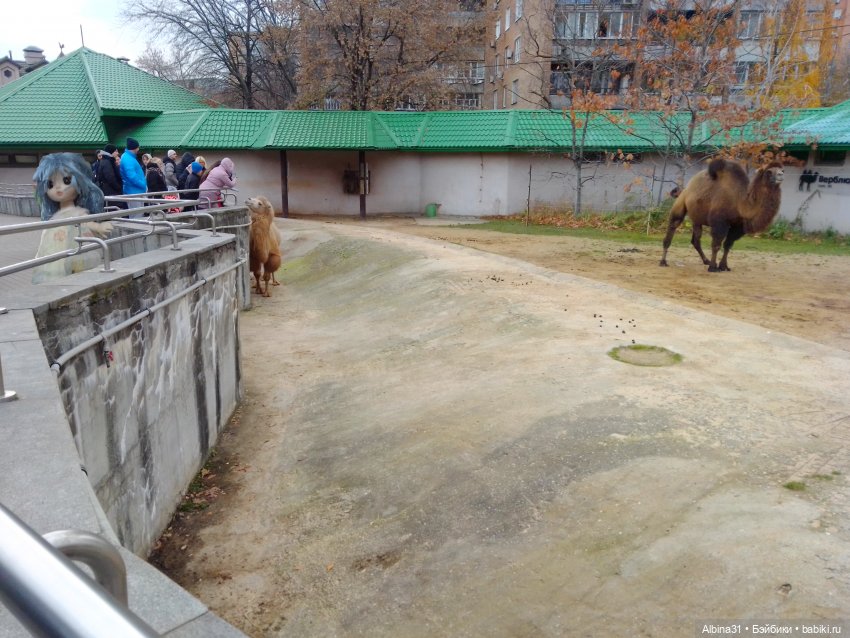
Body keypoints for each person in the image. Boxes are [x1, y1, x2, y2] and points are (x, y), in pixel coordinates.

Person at [31, 153, 113, 282]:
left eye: (66, 181)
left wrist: (99, 227)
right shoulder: (54, 217)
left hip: (73, 249)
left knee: (74, 267)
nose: (58, 188)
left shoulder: (78, 212)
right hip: (54, 251)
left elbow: (88, 223)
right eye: (51, 184)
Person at [120, 137, 147, 211]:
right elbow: (132, 176)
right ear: (135, 148)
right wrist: (143, 185)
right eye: (138, 147)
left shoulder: (128, 157)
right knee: (137, 215)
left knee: (138, 214)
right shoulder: (128, 158)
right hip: (134, 192)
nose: (138, 149)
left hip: (135, 190)